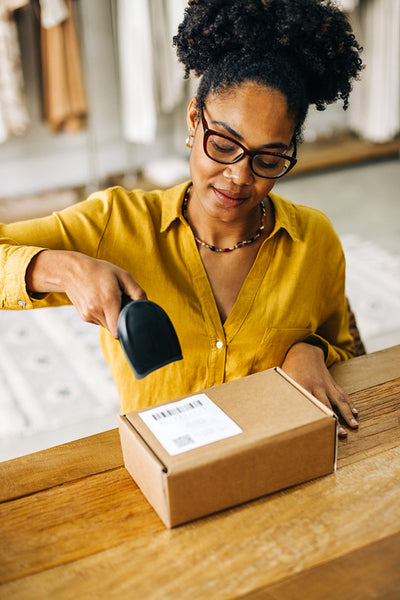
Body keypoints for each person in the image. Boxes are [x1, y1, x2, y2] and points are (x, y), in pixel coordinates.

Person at [0, 0, 363, 436]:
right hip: (165, 478)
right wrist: (61, 268)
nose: (238, 176)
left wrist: (310, 350)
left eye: (269, 159)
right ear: (194, 120)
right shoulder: (115, 223)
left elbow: (347, 352)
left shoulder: (314, 240)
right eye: (224, 145)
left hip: (280, 465)